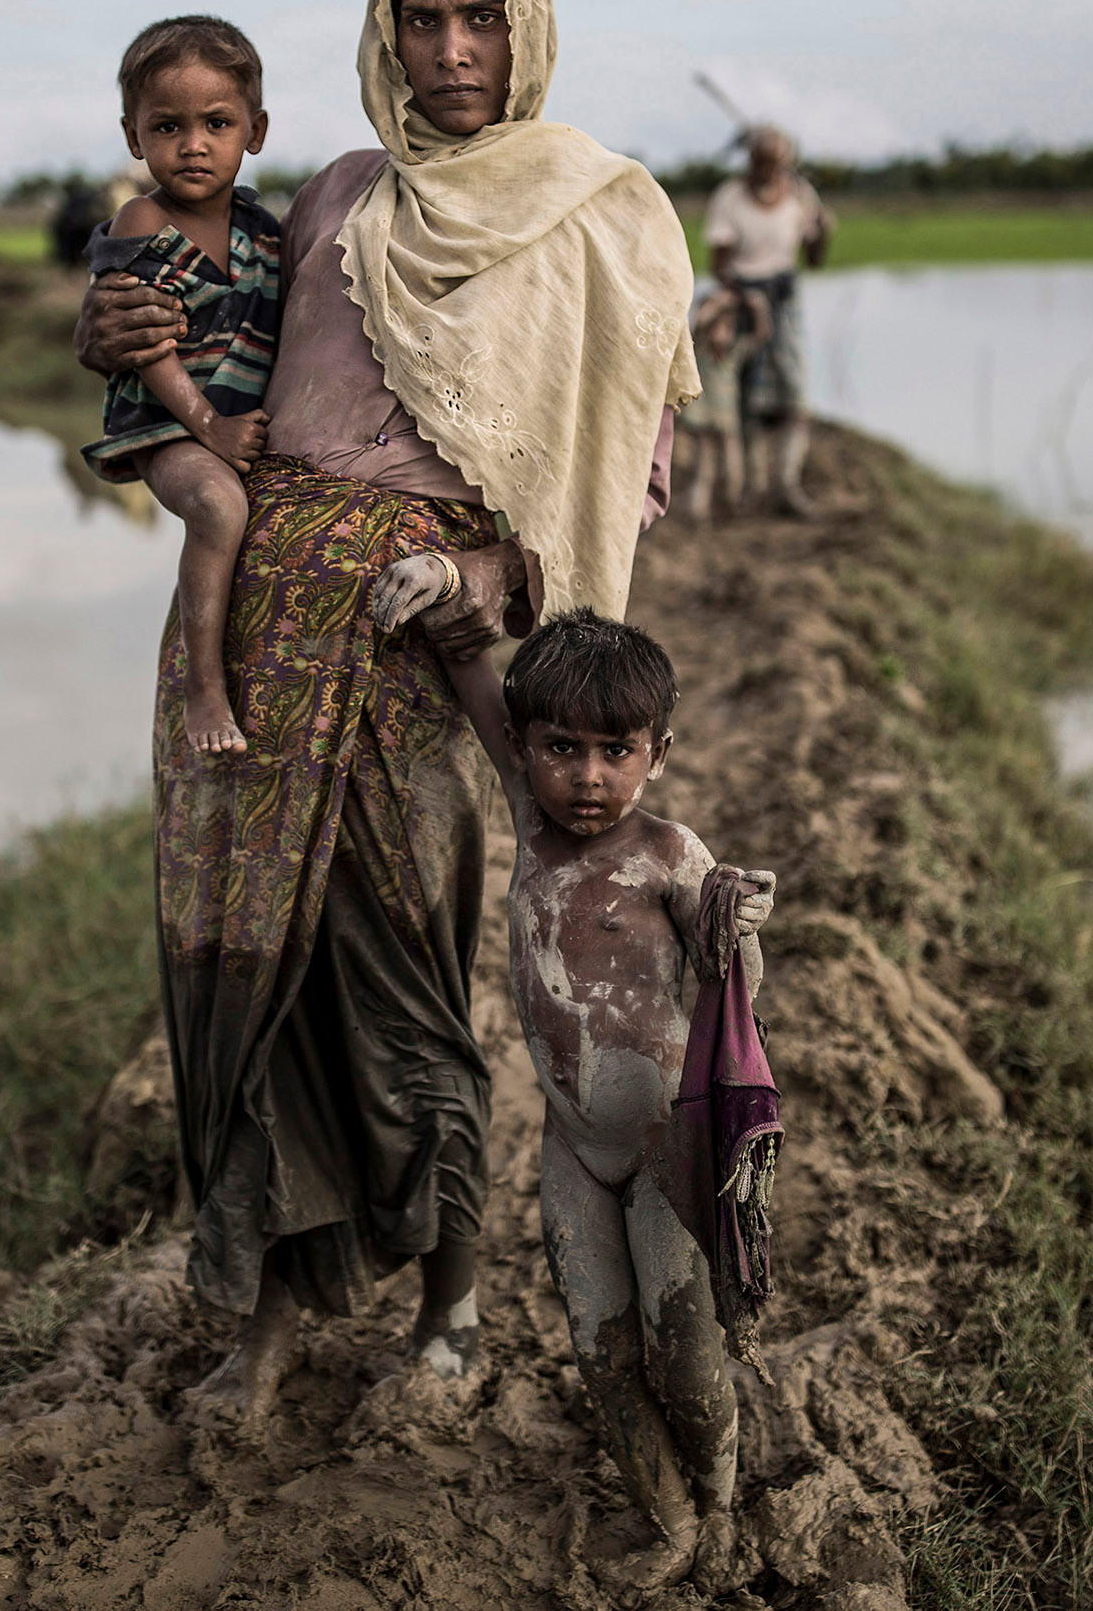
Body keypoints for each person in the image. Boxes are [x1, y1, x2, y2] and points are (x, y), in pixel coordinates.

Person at [75, 0, 700, 1433]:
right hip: (250, 637)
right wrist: (110, 328)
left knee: (405, 988)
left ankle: (451, 1309)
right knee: (256, 995)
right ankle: (270, 1321)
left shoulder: (596, 212)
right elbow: (212, 366)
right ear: (383, 30)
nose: (451, 48)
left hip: (419, 654)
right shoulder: (338, 192)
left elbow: (614, 471)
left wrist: (480, 572)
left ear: (528, 22)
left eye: (480, 16)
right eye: (422, 17)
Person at [362, 604, 777, 1592]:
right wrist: (442, 595)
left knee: (683, 1357)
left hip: (664, 1154)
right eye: (562, 749)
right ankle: (665, 1515)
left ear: (657, 753)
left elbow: (738, 990)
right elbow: (472, 676)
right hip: (571, 1153)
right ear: (524, 747)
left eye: (615, 752)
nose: (587, 777)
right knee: (601, 1352)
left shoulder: (673, 856)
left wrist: (739, 925)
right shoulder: (526, 818)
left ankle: (718, 1501)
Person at [80, 15, 281, 755]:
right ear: (134, 137)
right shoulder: (143, 218)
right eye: (167, 126)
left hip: (237, 420)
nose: (192, 144)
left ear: (254, 130)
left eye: (216, 123)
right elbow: (147, 341)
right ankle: (203, 687)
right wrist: (210, 427)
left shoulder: (264, 232)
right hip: (168, 424)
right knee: (218, 505)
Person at [704, 126, 833, 515]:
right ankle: (748, 488)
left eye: (774, 163)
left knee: (794, 398)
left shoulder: (800, 196)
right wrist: (747, 300)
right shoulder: (729, 198)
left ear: (785, 163)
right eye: (759, 161)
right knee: (744, 401)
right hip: (744, 301)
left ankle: (785, 485)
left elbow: (814, 257)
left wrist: (823, 231)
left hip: (784, 302)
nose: (766, 170)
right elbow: (720, 265)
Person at [674, 277, 767, 526]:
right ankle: (698, 513)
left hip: (727, 421)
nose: (723, 332)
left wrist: (758, 308)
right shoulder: (701, 350)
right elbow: (698, 325)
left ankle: (731, 505)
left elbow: (761, 335)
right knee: (704, 468)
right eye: (719, 326)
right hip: (703, 419)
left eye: (728, 327)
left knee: (733, 469)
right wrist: (717, 304)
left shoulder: (735, 353)